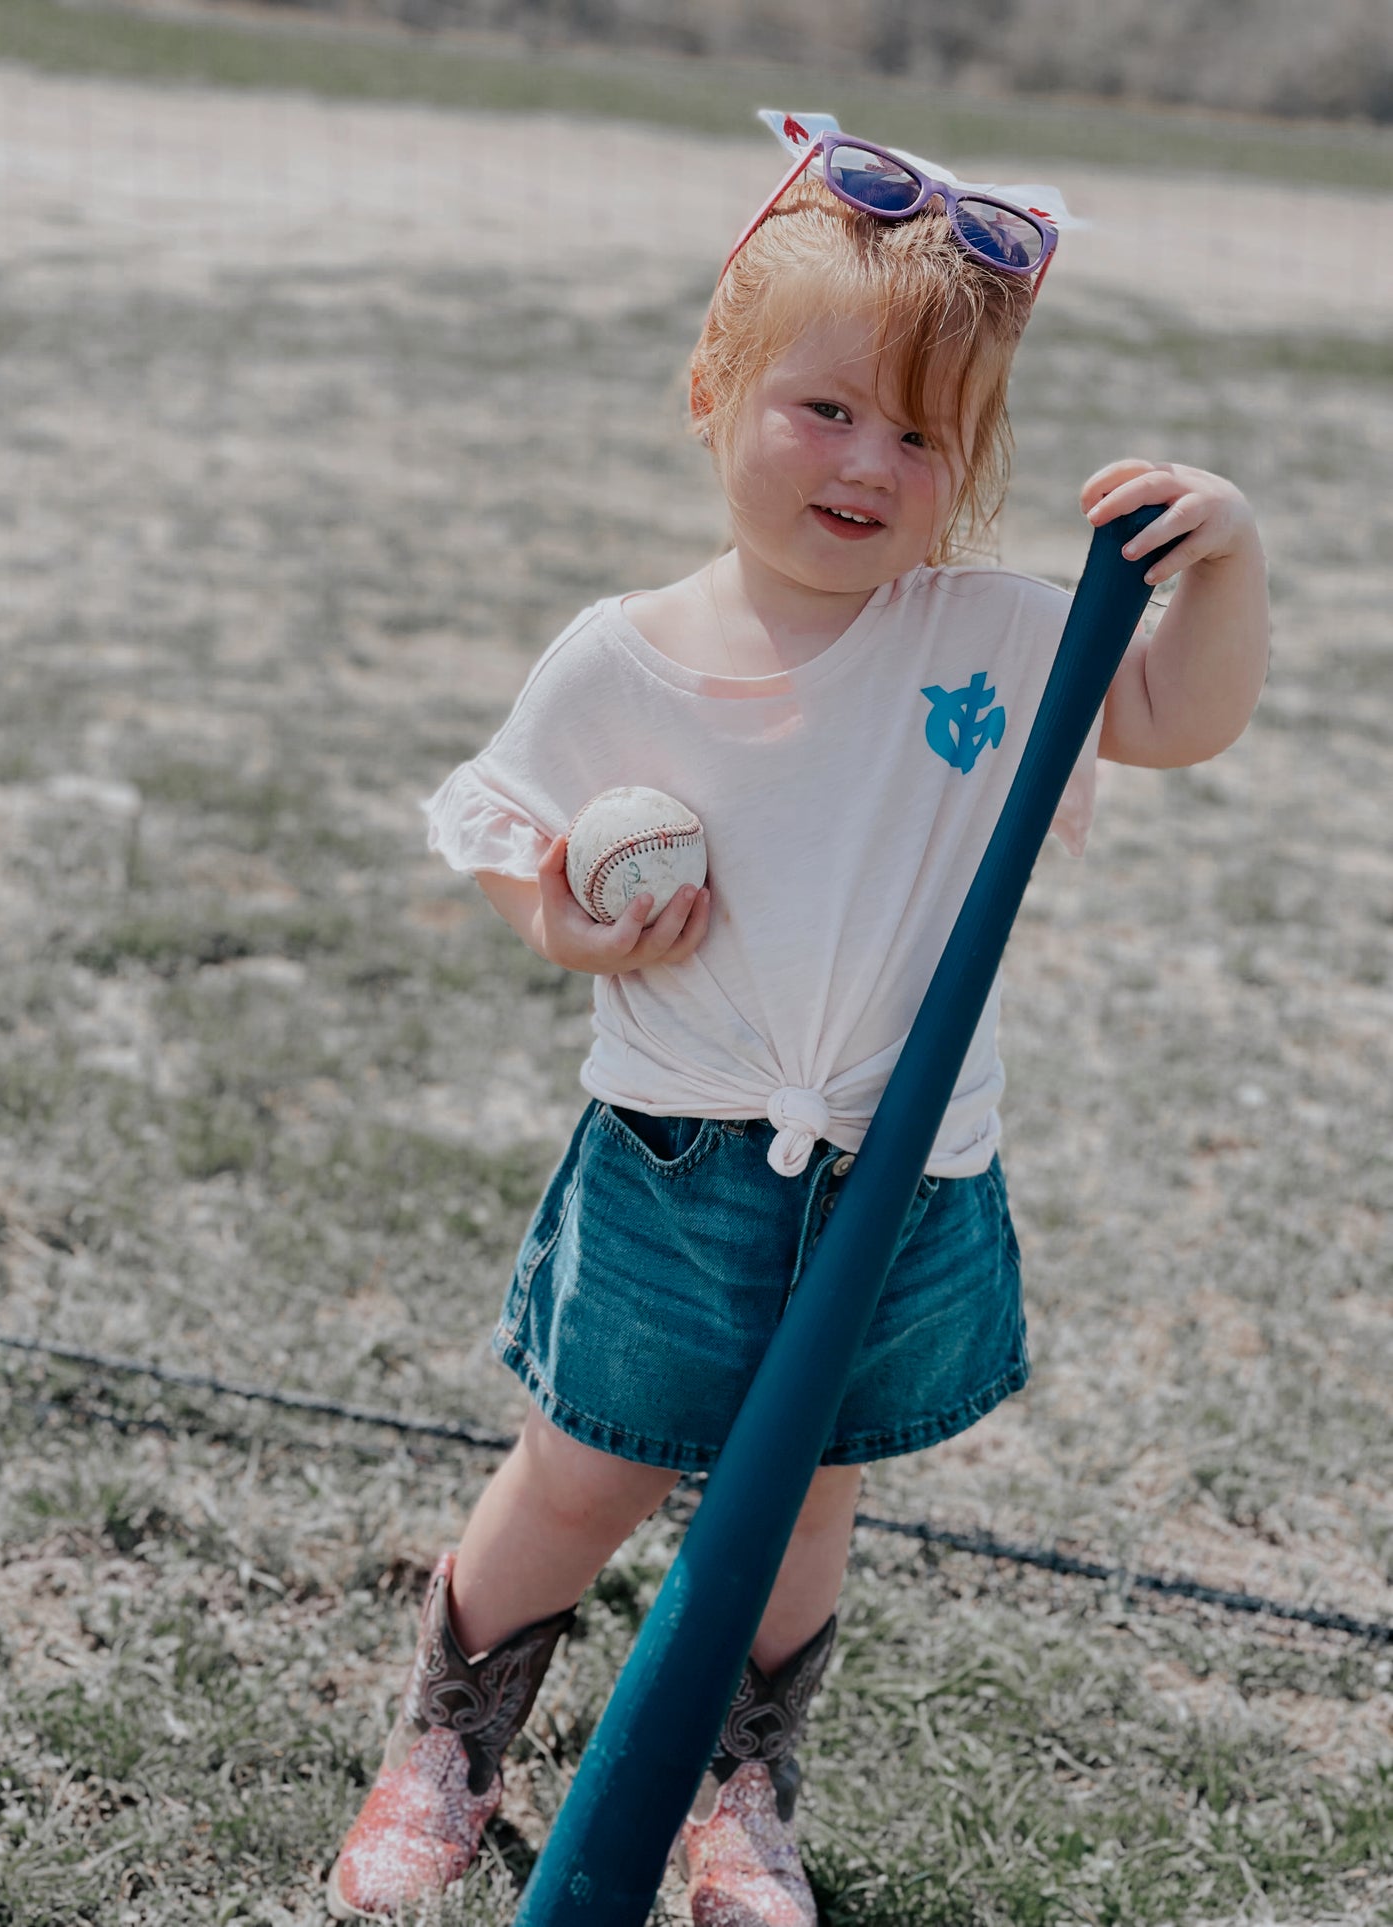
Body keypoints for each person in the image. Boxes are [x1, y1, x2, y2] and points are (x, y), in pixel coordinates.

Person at [327, 113, 1269, 1925]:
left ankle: (732, 1798)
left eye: (922, 434)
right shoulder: (625, 653)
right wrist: (573, 928)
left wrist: (1225, 564)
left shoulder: (984, 638)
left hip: (897, 1180)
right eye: (824, 408)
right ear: (712, 387)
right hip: (678, 1161)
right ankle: (442, 1754)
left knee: (801, 1510)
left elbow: (1174, 716)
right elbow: (502, 836)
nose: (869, 461)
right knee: (581, 1481)